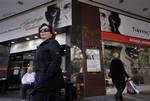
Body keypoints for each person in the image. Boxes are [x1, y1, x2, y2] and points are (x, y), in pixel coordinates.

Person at [31, 23, 64, 101]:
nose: (42, 31)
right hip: (41, 82)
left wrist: (45, 77)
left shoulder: (52, 42)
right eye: (41, 30)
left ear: (51, 33)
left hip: (48, 83)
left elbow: (56, 61)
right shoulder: (42, 46)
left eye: (45, 30)